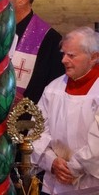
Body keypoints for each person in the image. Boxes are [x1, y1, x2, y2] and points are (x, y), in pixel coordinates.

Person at [32, 27, 99, 195]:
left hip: (90, 185)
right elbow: (36, 130)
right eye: (63, 54)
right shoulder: (53, 88)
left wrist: (72, 168)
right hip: (53, 181)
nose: (63, 60)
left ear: (94, 57)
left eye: (71, 55)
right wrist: (51, 162)